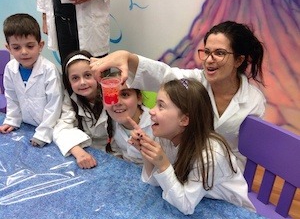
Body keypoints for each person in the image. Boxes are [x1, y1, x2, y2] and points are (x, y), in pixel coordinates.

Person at [90, 21, 266, 172]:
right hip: (187, 167)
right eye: (206, 52)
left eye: (219, 53)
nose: (209, 59)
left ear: (239, 60)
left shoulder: (253, 101)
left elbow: (250, 150)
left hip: (225, 174)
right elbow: (163, 74)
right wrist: (127, 57)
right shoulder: (195, 81)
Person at [127, 78, 255, 215]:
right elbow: (155, 182)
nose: (151, 111)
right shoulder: (165, 138)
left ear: (184, 120)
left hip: (231, 211)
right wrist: (145, 152)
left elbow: (186, 205)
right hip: (201, 202)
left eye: (161, 106)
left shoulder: (210, 154)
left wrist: (163, 165)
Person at [0, 13, 63, 147]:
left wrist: (43, 133)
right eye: (16, 47)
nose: (24, 52)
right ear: (8, 48)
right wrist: (12, 120)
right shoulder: (10, 69)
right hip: (27, 124)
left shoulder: (49, 70)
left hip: (53, 126)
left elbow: (54, 106)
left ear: (40, 45)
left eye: (30, 46)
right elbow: (11, 97)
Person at [53, 50, 120, 169]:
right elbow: (61, 128)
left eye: (87, 75)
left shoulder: (112, 93)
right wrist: (79, 152)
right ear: (69, 82)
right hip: (88, 152)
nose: (82, 82)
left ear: (98, 75)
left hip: (117, 153)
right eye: (75, 78)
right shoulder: (70, 99)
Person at [37, 0, 115, 64]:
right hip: (62, 21)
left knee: (97, 69)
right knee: (68, 69)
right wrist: (45, 16)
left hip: (90, 23)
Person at [104, 73, 154, 165]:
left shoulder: (156, 124)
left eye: (125, 94)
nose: (117, 103)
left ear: (139, 98)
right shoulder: (110, 122)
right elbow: (117, 152)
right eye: (111, 95)